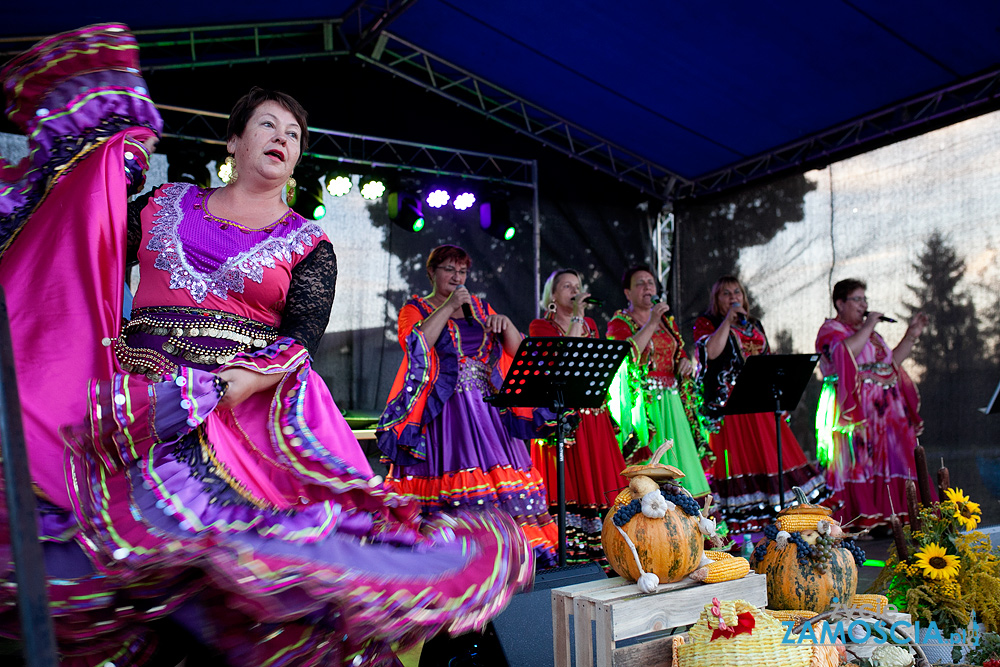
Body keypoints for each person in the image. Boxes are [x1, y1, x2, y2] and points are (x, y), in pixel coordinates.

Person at [0, 25, 531, 666]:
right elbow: (87, 233)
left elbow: (299, 339)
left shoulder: (310, 243)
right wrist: (106, 151)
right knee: (123, 559)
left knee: (226, 567)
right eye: (268, 125)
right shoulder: (164, 204)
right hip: (139, 393)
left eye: (293, 134)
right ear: (234, 141)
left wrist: (250, 383)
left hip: (243, 402)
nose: (281, 138)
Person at [376, 244, 559, 567]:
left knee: (501, 485)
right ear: (432, 272)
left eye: (462, 272)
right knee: (453, 481)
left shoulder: (480, 307)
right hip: (444, 415)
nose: (457, 277)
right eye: (450, 270)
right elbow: (415, 344)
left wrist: (505, 324)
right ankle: (459, 556)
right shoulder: (415, 308)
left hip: (488, 412)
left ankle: (510, 550)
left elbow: (519, 353)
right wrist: (447, 306)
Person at [693, 275, 829, 535]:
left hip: (760, 402)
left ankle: (784, 520)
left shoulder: (754, 324)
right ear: (716, 299)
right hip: (730, 407)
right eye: (726, 293)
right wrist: (727, 321)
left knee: (772, 458)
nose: (734, 297)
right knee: (738, 462)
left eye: (737, 292)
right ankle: (745, 528)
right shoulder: (706, 323)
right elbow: (710, 352)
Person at [528, 269, 627, 565]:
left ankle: (604, 551)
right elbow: (564, 360)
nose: (574, 290)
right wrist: (576, 318)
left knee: (599, 481)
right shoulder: (540, 326)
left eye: (578, 286)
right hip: (563, 418)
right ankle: (570, 555)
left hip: (593, 416)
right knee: (570, 482)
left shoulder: (591, 324)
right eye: (567, 286)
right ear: (553, 296)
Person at [815, 278, 930, 529]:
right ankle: (858, 521)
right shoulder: (831, 330)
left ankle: (891, 519)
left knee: (892, 460)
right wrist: (868, 325)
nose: (863, 304)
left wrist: (911, 335)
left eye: (865, 299)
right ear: (840, 303)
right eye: (857, 299)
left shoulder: (872, 334)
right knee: (857, 462)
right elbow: (845, 353)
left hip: (885, 409)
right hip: (854, 410)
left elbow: (890, 364)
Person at [606, 266, 711, 498]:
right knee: (653, 463)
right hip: (645, 408)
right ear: (628, 293)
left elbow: (678, 352)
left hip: (672, 402)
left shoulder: (667, 321)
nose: (647, 287)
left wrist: (684, 363)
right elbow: (626, 356)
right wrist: (652, 321)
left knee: (681, 459)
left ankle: (690, 520)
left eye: (650, 283)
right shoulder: (620, 322)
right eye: (640, 283)